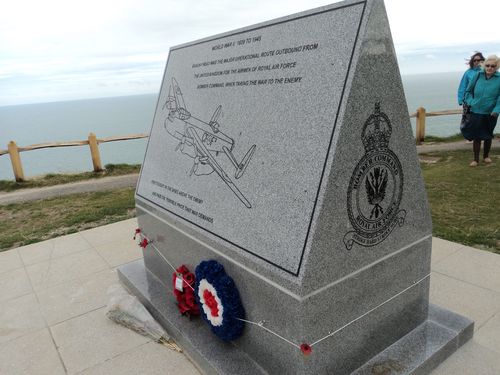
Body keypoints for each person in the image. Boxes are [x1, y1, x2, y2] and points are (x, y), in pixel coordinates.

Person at [463, 54, 500, 166]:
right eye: (487, 65)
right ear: (484, 65)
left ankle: (486, 156)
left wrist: (496, 109)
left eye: (493, 66)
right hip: (476, 111)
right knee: (477, 136)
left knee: (488, 135)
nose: (490, 68)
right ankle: (475, 159)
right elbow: (468, 91)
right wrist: (470, 102)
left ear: (496, 67)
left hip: (491, 112)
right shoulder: (478, 76)